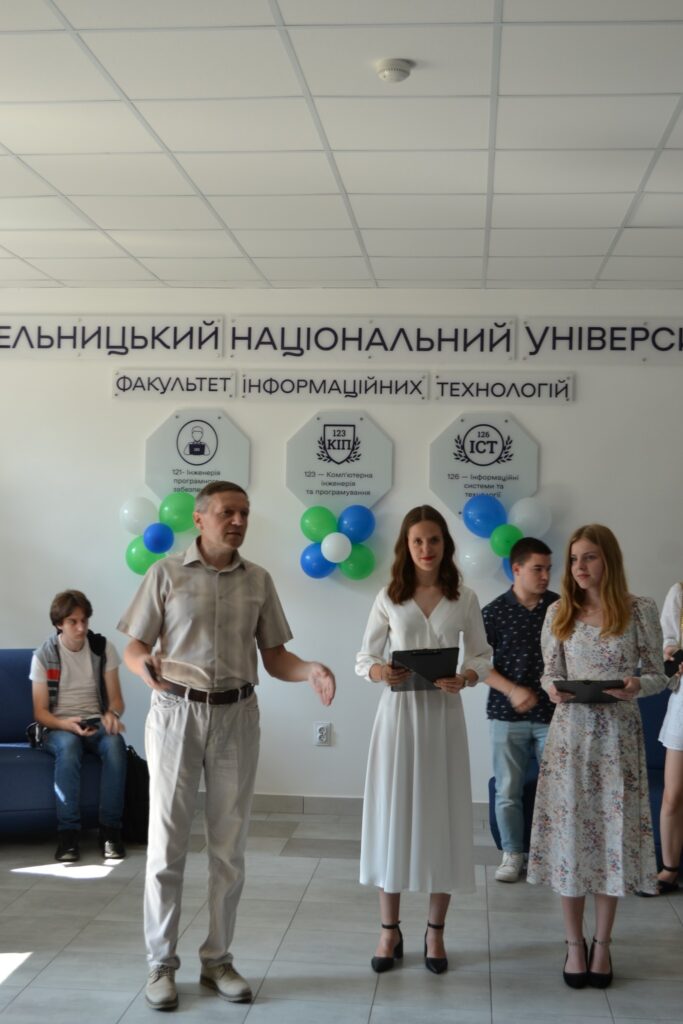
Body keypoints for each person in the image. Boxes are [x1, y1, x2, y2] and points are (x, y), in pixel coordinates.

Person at [118, 480, 335, 1012]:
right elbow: (134, 646)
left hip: (237, 716)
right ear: (199, 518)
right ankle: (160, 963)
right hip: (176, 713)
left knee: (229, 848)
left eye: (244, 513)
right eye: (227, 512)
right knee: (166, 846)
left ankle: (217, 960)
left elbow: (276, 657)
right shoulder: (166, 573)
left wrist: (311, 669)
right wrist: (143, 667)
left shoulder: (258, 580)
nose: (237, 521)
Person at [526, 524, 668, 989]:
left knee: (612, 839)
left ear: (608, 559)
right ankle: (574, 943)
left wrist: (635, 684)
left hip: (618, 739)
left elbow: (659, 675)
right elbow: (549, 673)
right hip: (570, 738)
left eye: (588, 557)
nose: (579, 567)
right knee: (570, 839)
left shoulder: (639, 608)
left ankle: (602, 944)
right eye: (573, 559)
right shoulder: (559, 612)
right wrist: (553, 689)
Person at [355, 505, 491, 975]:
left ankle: (436, 932)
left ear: (444, 544)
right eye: (417, 541)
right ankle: (388, 930)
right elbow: (364, 657)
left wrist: (467, 677)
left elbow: (482, 655)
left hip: (443, 716)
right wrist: (380, 672)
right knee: (393, 814)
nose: (426, 548)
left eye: (434, 540)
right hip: (399, 716)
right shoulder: (388, 597)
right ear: (406, 546)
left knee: (442, 815)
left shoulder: (464, 597)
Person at [31, 589, 127, 863]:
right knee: (69, 747)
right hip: (58, 725)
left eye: (84, 620)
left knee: (116, 745)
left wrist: (112, 714)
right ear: (59, 624)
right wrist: (65, 724)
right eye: (73, 621)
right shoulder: (44, 656)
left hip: (95, 721)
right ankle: (68, 835)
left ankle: (110, 832)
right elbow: (40, 712)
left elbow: (117, 700)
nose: (81, 627)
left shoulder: (102, 648)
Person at [482, 537, 557, 883]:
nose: (545, 576)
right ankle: (513, 854)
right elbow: (477, 665)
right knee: (508, 791)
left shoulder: (560, 608)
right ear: (516, 569)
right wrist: (512, 690)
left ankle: (553, 854)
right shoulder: (493, 612)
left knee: (557, 789)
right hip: (505, 715)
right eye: (537, 569)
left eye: (548, 569)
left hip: (554, 715)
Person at [653, 581, 683, 893]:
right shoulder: (679, 592)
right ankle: (669, 869)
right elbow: (666, 642)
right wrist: (674, 655)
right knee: (673, 794)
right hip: (682, 707)